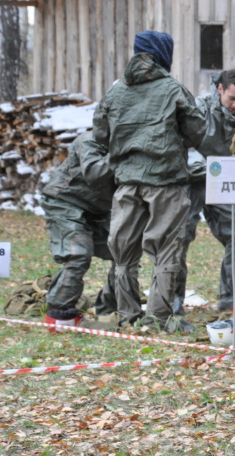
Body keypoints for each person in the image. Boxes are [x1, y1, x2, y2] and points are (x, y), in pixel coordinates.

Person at [93, 30, 206, 333]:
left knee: (123, 254)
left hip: (127, 183)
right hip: (166, 183)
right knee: (166, 251)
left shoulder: (115, 92)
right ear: (164, 55)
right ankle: (156, 321)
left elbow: (100, 135)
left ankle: (128, 317)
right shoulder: (174, 89)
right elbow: (197, 131)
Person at [174, 69, 235, 314]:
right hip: (194, 179)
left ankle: (230, 295)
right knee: (181, 236)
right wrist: (206, 167)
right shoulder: (200, 107)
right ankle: (174, 300)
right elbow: (184, 144)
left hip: (223, 181)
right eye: (231, 99)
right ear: (220, 90)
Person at [42, 131, 116, 323]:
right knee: (78, 254)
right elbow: (96, 172)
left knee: (125, 252)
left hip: (99, 209)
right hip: (65, 202)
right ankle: (60, 313)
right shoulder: (90, 140)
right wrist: (125, 152)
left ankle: (109, 308)